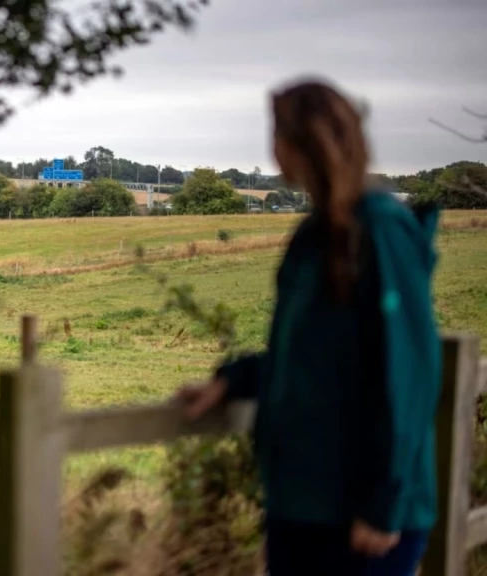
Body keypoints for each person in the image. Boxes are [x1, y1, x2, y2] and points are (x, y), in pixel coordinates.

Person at [178, 79, 442, 576]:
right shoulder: (314, 234)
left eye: (276, 131)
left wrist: (384, 502)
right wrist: (236, 380)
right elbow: (310, 354)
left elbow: (409, 372)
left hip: (362, 517)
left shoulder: (382, 230)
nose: (271, 146)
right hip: (302, 502)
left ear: (301, 142)